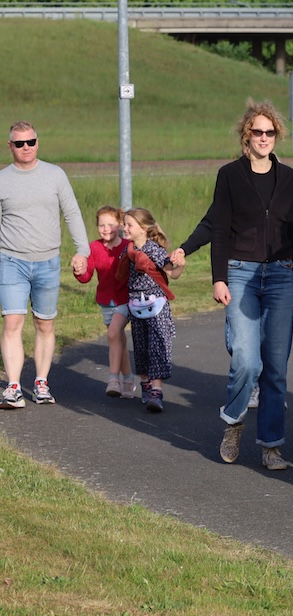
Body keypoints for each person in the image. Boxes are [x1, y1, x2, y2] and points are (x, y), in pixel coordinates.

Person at [208, 99, 293, 472]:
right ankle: (234, 419)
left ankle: (271, 445)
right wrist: (219, 277)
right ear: (246, 135)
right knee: (247, 360)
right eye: (257, 132)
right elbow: (219, 228)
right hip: (240, 273)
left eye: (270, 132)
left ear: (276, 135)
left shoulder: (289, 178)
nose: (264, 138)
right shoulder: (229, 176)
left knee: (276, 368)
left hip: (282, 274)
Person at [0, 121, 90, 408]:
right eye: (19, 143)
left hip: (48, 261)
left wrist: (83, 251)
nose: (26, 147)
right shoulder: (3, 179)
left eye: (31, 142)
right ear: (10, 146)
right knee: (12, 322)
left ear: (37, 143)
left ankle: (41, 383)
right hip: (11, 260)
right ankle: (13, 388)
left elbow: (72, 213)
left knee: (44, 323)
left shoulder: (55, 175)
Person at [116, 208, 183, 412]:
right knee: (141, 346)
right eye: (124, 224)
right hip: (136, 305)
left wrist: (180, 264)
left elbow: (172, 274)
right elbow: (120, 274)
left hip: (156, 306)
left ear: (143, 228)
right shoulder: (127, 250)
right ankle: (145, 384)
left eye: (129, 225)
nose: (125, 228)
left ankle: (156, 390)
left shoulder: (154, 250)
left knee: (157, 345)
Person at [75, 206, 133, 399]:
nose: (106, 229)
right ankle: (128, 380)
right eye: (102, 225)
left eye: (111, 224)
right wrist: (79, 270)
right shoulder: (94, 247)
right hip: (106, 302)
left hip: (125, 299)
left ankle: (113, 379)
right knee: (118, 340)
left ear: (120, 225)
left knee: (113, 333)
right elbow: (87, 276)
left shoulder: (128, 246)